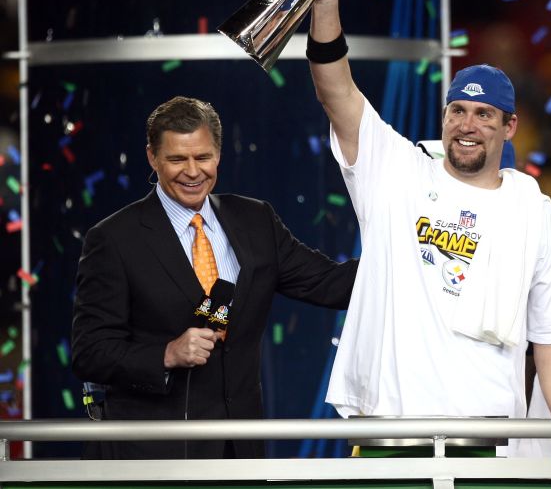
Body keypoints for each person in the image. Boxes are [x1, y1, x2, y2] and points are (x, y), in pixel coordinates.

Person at [289, 0, 551, 457]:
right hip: (389, 431)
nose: (467, 125)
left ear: (509, 127)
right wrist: (325, 2)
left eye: (483, 116)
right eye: (457, 111)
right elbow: (335, 92)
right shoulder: (396, 172)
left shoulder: (535, 213)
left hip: (488, 439)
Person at [71, 96, 359, 459]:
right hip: (151, 455)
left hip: (237, 450)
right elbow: (90, 352)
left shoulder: (255, 220)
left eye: (203, 157)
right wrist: (167, 354)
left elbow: (330, 283)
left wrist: (418, 263)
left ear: (218, 155)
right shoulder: (114, 238)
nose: (193, 172)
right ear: (152, 158)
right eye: (177, 159)